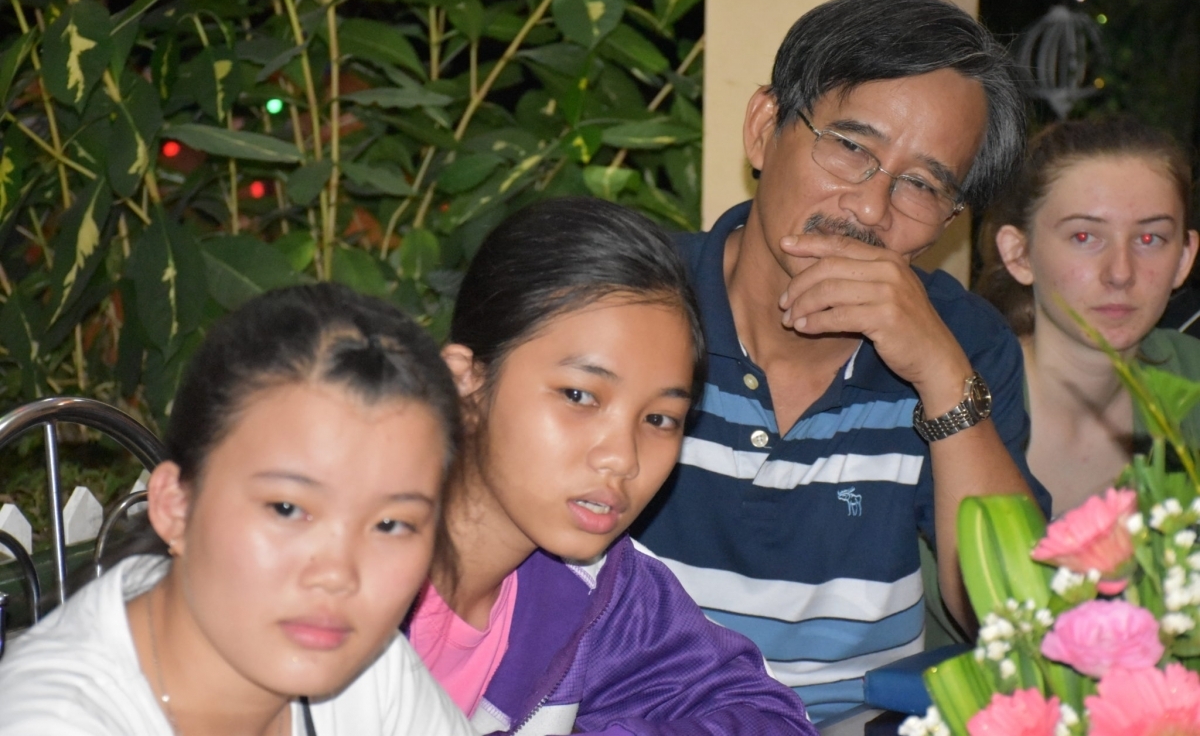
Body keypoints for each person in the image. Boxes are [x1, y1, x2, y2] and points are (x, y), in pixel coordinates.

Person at [630, 0, 1052, 723]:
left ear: (951, 221)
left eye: (922, 184)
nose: (870, 208)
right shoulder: (629, 306)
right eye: (852, 148)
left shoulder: (965, 342)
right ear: (764, 129)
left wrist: (939, 373)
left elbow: (1018, 622)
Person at [407, 197, 817, 735]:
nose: (622, 458)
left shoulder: (600, 590)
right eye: (579, 395)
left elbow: (774, 720)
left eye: (659, 419)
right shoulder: (337, 571)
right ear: (465, 382)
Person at [0, 284, 474, 736]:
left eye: (391, 524)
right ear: (175, 505)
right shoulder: (51, 722)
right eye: (287, 509)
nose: (337, 575)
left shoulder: (372, 676)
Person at [978, 117, 1200, 516]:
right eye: (1084, 237)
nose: (1121, 273)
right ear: (1019, 254)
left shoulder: (1192, 383)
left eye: (1149, 238)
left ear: (1184, 259)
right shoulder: (956, 399)